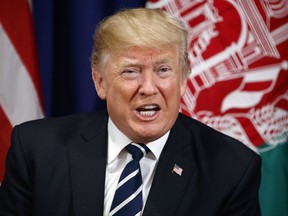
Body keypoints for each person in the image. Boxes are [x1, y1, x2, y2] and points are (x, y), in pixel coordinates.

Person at [0, 8, 261, 216]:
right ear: (100, 82)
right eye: (130, 71)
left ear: (182, 80)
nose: (148, 88)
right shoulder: (37, 149)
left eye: (163, 70)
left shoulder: (231, 168)